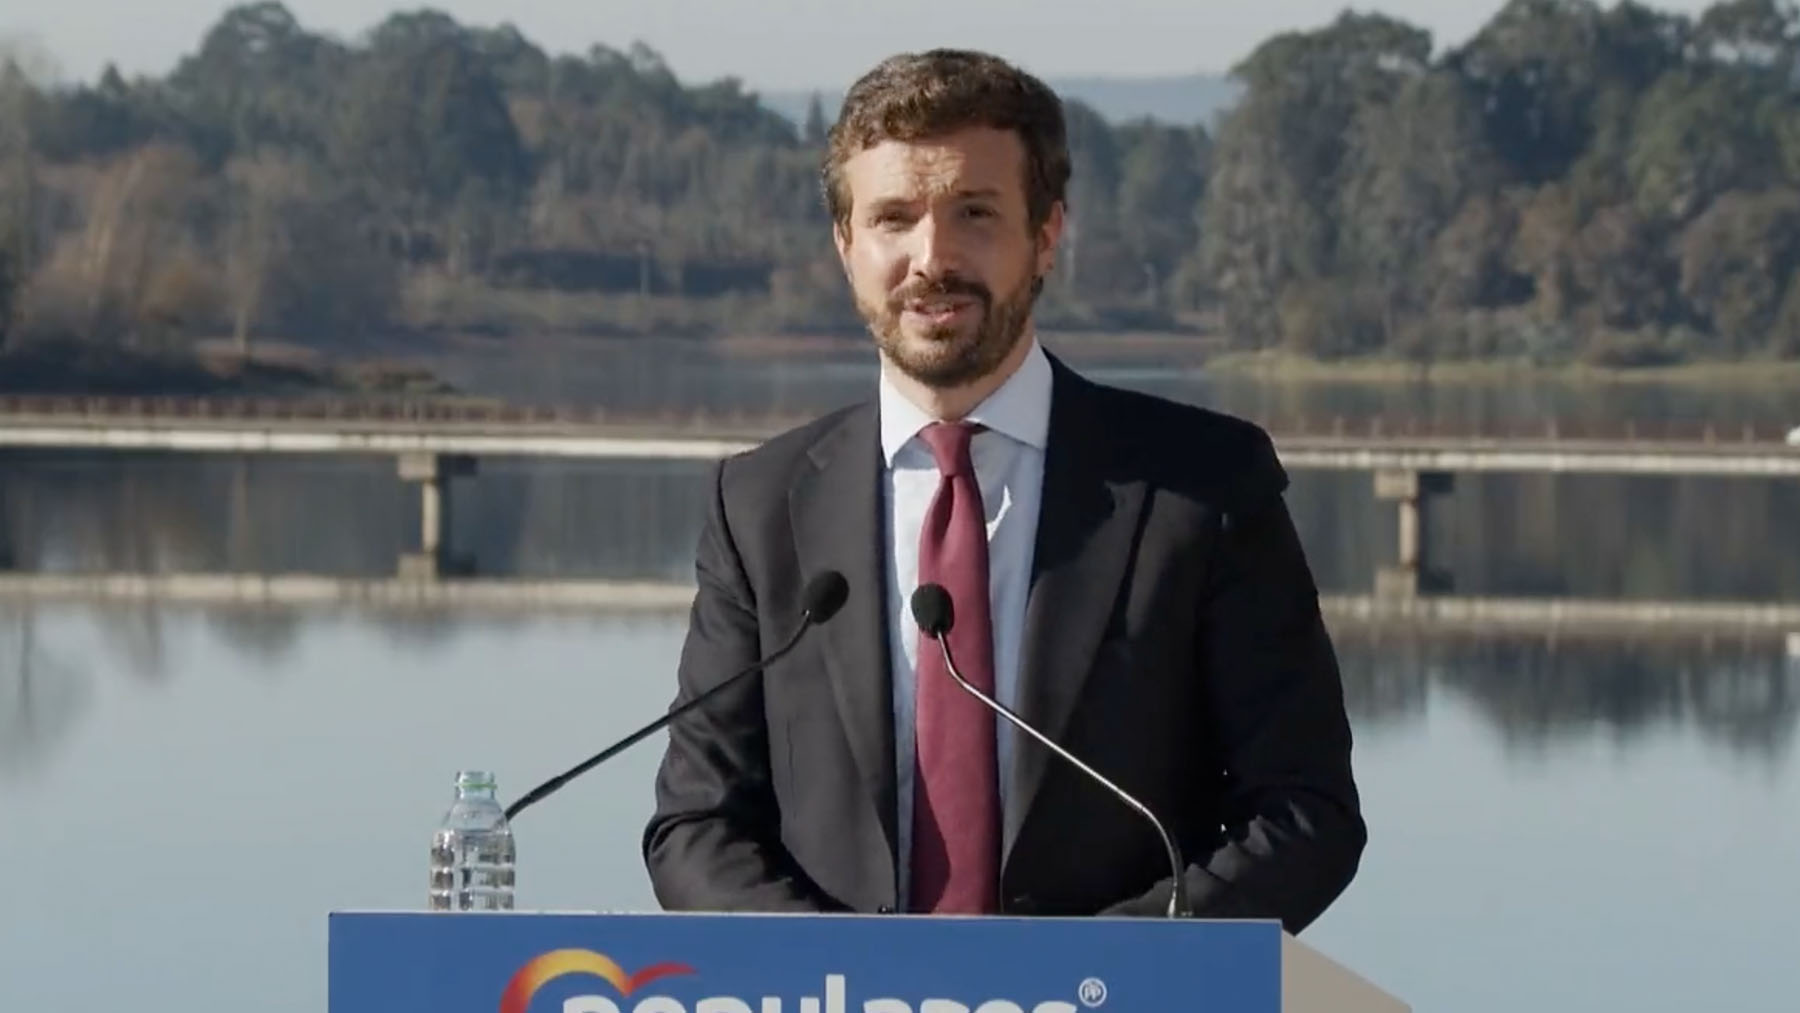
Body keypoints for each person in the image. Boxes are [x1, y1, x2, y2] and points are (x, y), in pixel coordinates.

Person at [641, 48, 1365, 931]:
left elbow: (1302, 812)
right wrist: (844, 979)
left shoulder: (1199, 486)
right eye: (894, 218)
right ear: (845, 244)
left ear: (1047, 235)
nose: (931, 258)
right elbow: (696, 825)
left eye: (975, 214)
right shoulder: (758, 507)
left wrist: (1088, 981)